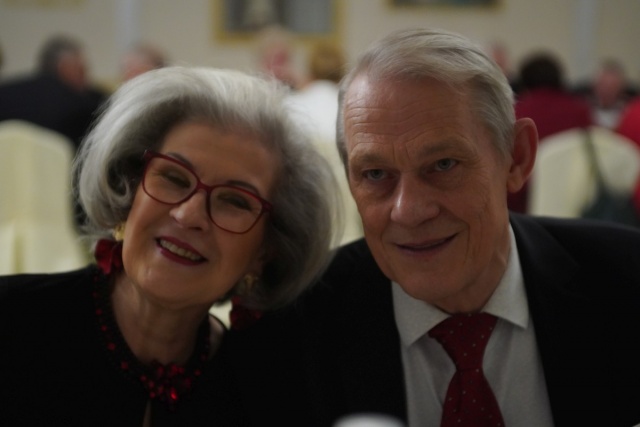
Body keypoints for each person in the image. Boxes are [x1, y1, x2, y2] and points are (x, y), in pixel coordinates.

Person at [228, 28, 640, 427]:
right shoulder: (292, 335)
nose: (408, 211)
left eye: (443, 165)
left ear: (515, 157)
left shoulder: (626, 280)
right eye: (375, 174)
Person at [0, 66, 340, 426]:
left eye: (235, 201)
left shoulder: (260, 392)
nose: (188, 214)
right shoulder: (13, 325)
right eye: (174, 177)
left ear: (265, 251)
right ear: (129, 191)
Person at [508, 52, 593, 213]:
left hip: (527, 204)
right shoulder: (581, 111)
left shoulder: (517, 113)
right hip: (577, 201)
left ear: (524, 81)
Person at [0, 34, 107, 152]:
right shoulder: (82, 104)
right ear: (64, 68)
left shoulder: (6, 94)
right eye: (82, 70)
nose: (86, 77)